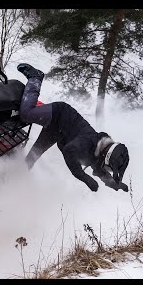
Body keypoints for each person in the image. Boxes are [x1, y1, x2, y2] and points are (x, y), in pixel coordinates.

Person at [17, 63, 129, 192]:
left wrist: (115, 184)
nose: (106, 169)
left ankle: (11, 181)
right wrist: (83, 176)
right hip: (58, 114)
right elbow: (69, 150)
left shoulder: (98, 155)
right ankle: (35, 77)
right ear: (107, 156)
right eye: (109, 167)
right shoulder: (88, 142)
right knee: (26, 114)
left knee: (31, 158)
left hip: (58, 132)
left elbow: (101, 172)